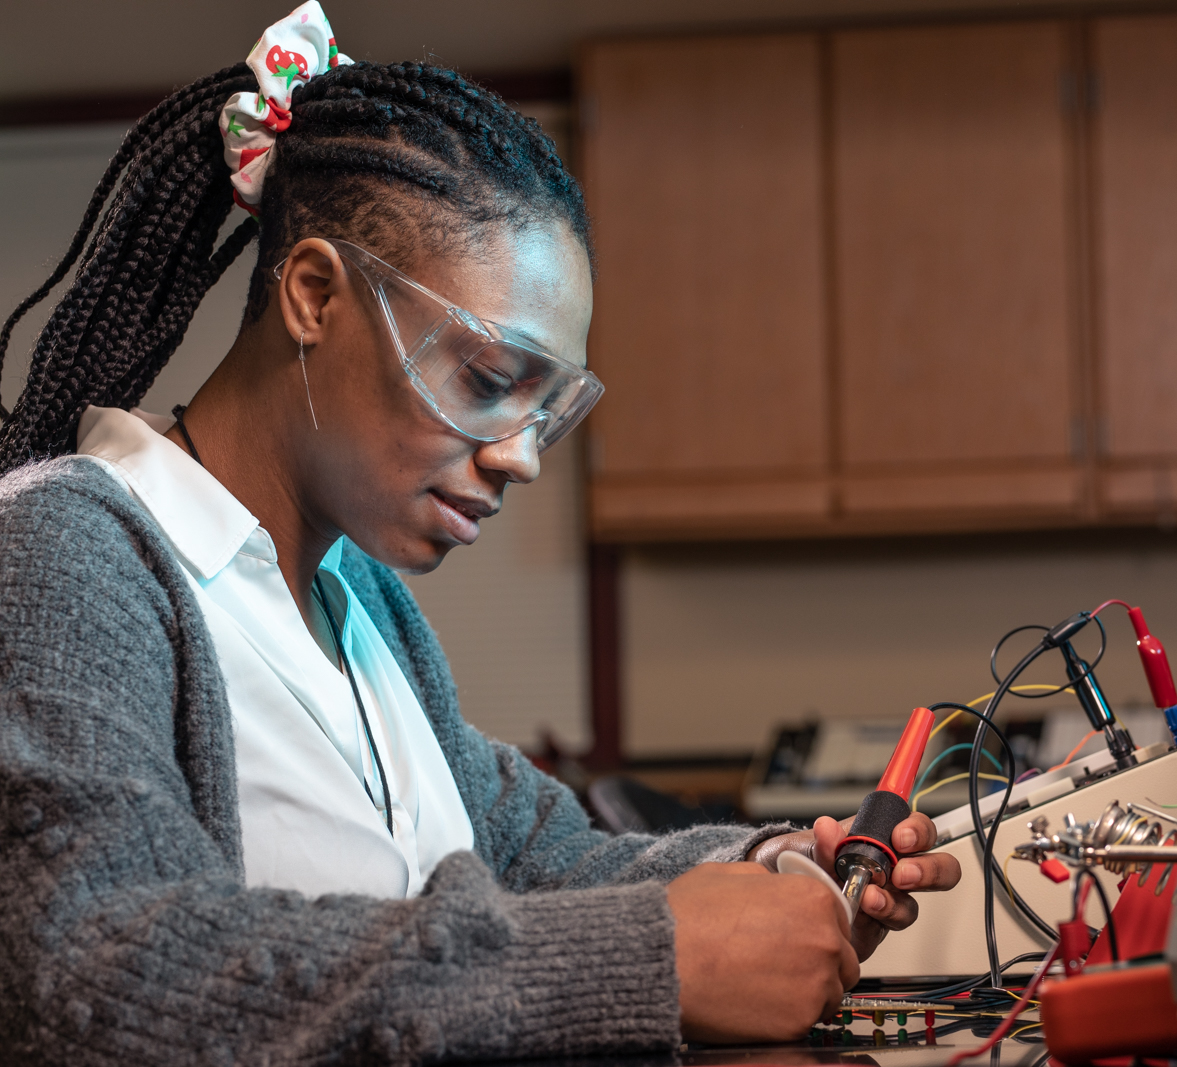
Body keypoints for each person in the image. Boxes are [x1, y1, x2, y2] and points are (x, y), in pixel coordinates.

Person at [0, 5, 959, 1062]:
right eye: (490, 381)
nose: (521, 454)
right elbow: (95, 970)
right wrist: (651, 958)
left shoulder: (358, 603)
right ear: (314, 295)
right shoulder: (71, 552)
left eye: (547, 409)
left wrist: (780, 868)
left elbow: (537, 854)